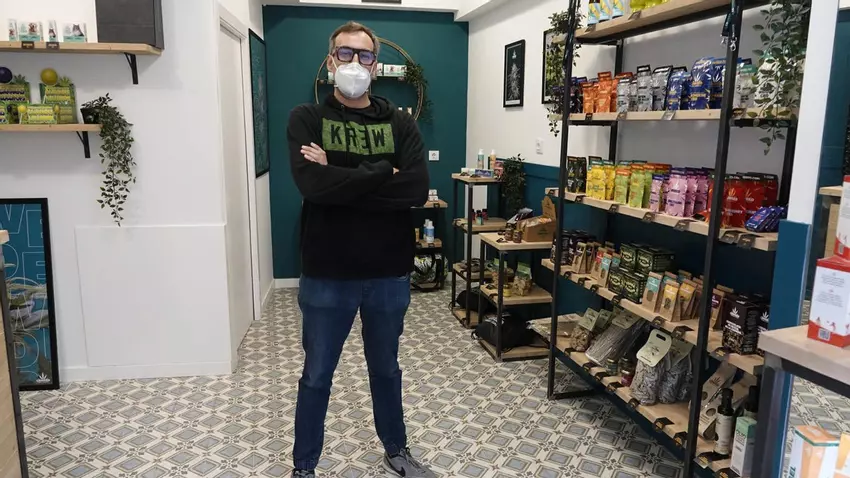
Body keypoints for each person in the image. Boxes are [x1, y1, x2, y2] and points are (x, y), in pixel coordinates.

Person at [286, 21, 436, 478]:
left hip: (388, 271)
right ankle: (304, 466)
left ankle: (397, 451)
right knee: (317, 375)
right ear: (331, 61)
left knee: (386, 370)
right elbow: (312, 186)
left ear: (375, 64)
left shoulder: (400, 122)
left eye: (364, 55)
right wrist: (383, 172)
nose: (355, 62)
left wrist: (337, 172)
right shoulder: (307, 119)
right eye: (345, 53)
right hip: (326, 272)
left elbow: (415, 188)